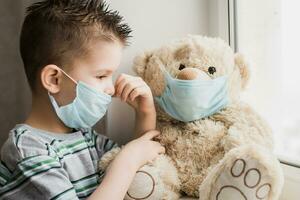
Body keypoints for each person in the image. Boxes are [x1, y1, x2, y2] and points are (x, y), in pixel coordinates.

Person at [0, 0, 165, 199]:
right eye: (101, 76)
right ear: (54, 79)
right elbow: (130, 162)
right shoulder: (27, 150)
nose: (111, 88)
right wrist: (127, 161)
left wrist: (145, 112)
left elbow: (143, 160)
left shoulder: (86, 138)